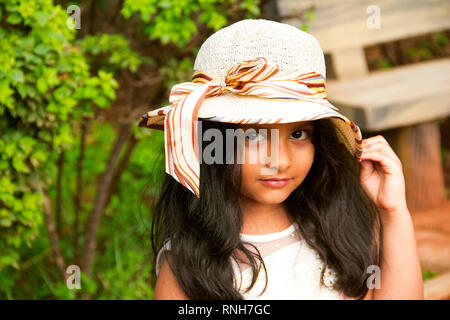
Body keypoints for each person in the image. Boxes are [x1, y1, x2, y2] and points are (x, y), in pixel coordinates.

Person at [138, 19, 423, 300]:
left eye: (298, 133)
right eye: (253, 136)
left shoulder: (341, 230)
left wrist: (393, 212)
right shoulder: (191, 264)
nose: (281, 160)